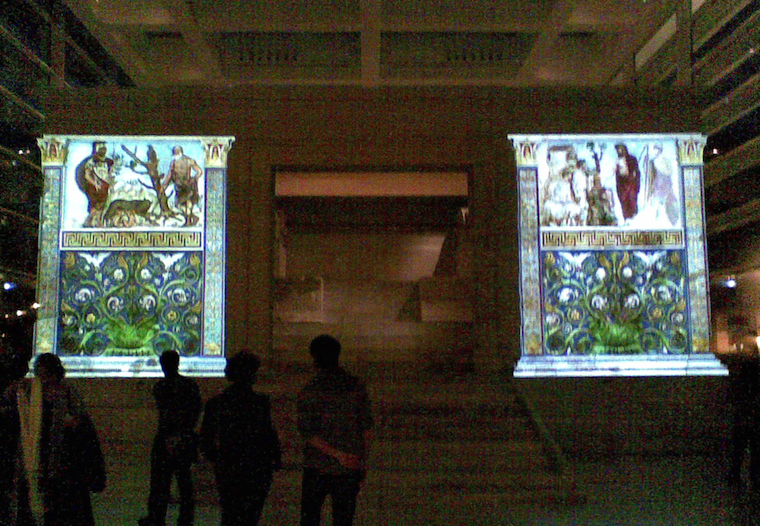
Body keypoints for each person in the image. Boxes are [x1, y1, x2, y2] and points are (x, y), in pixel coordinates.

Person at [2, 353, 105, 526]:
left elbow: (82, 424)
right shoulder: (32, 393)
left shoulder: (67, 394)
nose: (44, 379)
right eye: (41, 375)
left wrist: (72, 424)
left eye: (47, 374)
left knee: (66, 508)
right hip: (39, 457)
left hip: (64, 462)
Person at [297, 335, 374, 526]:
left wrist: (336, 454)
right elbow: (366, 427)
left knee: (310, 516)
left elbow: (307, 432)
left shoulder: (311, 390)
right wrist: (360, 459)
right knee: (343, 518)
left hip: (318, 464)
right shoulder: (355, 386)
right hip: (348, 465)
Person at [200, 351, 281, 526]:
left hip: (229, 465)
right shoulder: (260, 402)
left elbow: (206, 438)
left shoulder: (217, 403)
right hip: (257, 466)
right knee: (250, 515)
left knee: (230, 513)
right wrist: (274, 458)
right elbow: (268, 434)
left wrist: (217, 458)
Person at [139, 351, 202, 526]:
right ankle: (185, 519)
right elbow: (195, 409)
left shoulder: (161, 387)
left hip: (167, 435)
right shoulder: (189, 385)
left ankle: (156, 517)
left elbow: (166, 412)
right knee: (184, 482)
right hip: (183, 436)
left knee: (161, 482)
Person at [75, 141, 115, 227]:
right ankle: (89, 222)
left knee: (103, 205)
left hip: (104, 187)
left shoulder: (107, 162)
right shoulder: (91, 162)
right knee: (95, 205)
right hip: (94, 187)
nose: (103, 151)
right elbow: (87, 175)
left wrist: (110, 183)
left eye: (104, 149)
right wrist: (95, 184)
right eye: (101, 149)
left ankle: (99, 222)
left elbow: (109, 175)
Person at [163, 146, 203, 227]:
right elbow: (169, 175)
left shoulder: (189, 161)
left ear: (180, 152)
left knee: (188, 203)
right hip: (179, 187)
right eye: (174, 153)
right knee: (178, 204)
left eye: (177, 152)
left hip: (188, 186)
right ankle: (193, 218)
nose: (175, 154)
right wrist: (164, 185)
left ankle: (188, 221)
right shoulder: (173, 163)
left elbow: (199, 171)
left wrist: (194, 179)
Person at [646, 143, 679, 227]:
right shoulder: (652, 162)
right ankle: (654, 221)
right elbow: (651, 176)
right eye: (654, 149)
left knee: (668, 203)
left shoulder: (666, 161)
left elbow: (669, 171)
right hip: (657, 185)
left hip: (666, 184)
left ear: (660, 150)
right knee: (656, 203)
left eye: (656, 149)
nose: (655, 151)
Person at [614, 143, 641, 223]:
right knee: (624, 201)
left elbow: (636, 172)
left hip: (631, 184)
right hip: (622, 186)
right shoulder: (618, 161)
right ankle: (626, 219)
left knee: (632, 200)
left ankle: (634, 218)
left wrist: (634, 180)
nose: (619, 151)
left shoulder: (632, 159)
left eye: (620, 149)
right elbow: (617, 177)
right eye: (617, 150)